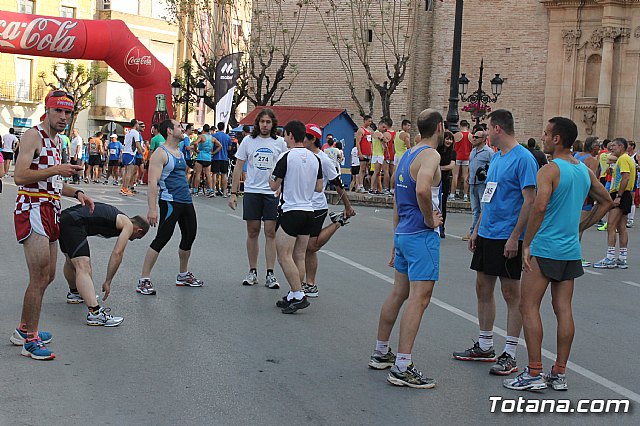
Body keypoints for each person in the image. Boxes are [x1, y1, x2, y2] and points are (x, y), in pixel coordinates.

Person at [504, 117, 612, 391]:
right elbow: (607, 201)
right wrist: (582, 226)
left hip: (545, 247)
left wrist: (526, 243)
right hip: (569, 250)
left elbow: (538, 208)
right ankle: (559, 373)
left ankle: (534, 372)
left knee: (528, 306)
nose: (542, 135)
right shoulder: (583, 171)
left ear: (557, 139)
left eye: (547, 132)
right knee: (563, 309)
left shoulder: (549, 170)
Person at [453, 109, 538, 376]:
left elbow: (530, 201)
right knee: (482, 287)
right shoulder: (497, 158)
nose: (485, 133)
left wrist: (516, 237)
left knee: (512, 294)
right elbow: (488, 198)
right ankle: (485, 345)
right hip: (488, 233)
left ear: (498, 129)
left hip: (508, 236)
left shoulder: (523, 158)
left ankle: (510, 354)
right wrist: (477, 229)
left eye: (488, 128)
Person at [10, 90, 92, 360]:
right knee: (39, 276)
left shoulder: (58, 141)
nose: (64, 117)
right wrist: (57, 169)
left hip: (51, 208)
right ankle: (30, 341)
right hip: (32, 208)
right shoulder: (33, 135)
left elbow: (54, 182)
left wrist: (77, 193)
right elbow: (20, 175)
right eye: (59, 111)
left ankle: (24, 330)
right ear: (48, 109)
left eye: (68, 112)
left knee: (50, 276)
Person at [368, 109, 443, 389]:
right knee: (419, 298)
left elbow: (399, 200)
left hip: (404, 234)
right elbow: (423, 189)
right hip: (421, 236)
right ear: (439, 127)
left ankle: (381, 351)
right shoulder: (430, 155)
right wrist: (428, 219)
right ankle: (402, 366)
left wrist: (396, 236)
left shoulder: (406, 155)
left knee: (399, 292)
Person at [137, 119, 203, 295]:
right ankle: (144, 279)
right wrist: (152, 209)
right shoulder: (160, 153)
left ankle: (183, 274)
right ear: (169, 131)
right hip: (169, 201)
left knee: (190, 236)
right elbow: (152, 183)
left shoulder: (180, 152)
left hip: (186, 201)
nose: (183, 130)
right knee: (162, 238)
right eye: (179, 127)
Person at [60, 202, 149, 325]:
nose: (132, 240)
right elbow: (118, 253)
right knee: (83, 266)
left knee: (71, 261)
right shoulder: (127, 224)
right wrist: (108, 281)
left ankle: (75, 293)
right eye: (137, 237)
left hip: (64, 219)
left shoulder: (119, 217)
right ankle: (95, 313)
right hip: (74, 223)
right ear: (139, 230)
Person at [229, 109, 287, 289]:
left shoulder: (280, 143)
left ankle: (270, 273)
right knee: (253, 231)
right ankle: (252, 270)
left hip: (271, 193)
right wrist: (233, 193)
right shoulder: (248, 141)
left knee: (271, 232)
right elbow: (238, 166)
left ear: (273, 124)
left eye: (268, 122)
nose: (265, 125)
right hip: (252, 191)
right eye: (262, 121)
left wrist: (283, 191)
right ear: (257, 123)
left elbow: (287, 168)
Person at [269, 120, 323, 313]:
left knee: (283, 255)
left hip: (291, 210)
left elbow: (273, 185)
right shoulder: (315, 158)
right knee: (299, 255)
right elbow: (319, 187)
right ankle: (294, 293)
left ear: (290, 135)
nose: (284, 139)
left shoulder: (286, 156)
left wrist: (271, 176)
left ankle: (298, 294)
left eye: (285, 135)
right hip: (309, 210)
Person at [301, 123, 356, 298]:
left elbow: (337, 183)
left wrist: (347, 206)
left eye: (305, 137)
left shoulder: (323, 159)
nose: (301, 140)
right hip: (300, 205)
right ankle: (306, 284)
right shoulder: (301, 155)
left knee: (311, 246)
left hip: (317, 206)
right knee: (303, 247)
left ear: (313, 139)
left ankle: (338, 222)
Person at [593, 138, 636, 269]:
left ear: (621, 146)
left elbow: (626, 177)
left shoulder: (623, 159)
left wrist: (618, 196)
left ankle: (610, 258)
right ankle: (622, 258)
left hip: (620, 193)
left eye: (614, 146)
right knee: (621, 227)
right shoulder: (627, 158)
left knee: (611, 225)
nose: (612, 149)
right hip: (626, 193)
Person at [464, 126, 495, 241]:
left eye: (476, 137)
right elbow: (471, 163)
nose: (474, 138)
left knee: (483, 208)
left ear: (483, 139)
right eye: (473, 136)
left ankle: (479, 232)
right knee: (475, 209)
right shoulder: (473, 151)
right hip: (473, 183)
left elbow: (494, 166)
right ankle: (473, 232)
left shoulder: (489, 152)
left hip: (482, 183)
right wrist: (468, 175)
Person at [573, 136, 600, 266]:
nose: (600, 149)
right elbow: (592, 181)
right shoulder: (592, 160)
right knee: (580, 227)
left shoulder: (577, 155)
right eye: (598, 146)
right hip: (585, 196)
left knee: (572, 225)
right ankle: (575, 256)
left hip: (572, 193)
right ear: (593, 147)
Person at [192, 124, 220, 197]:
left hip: (200, 156)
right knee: (208, 174)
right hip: (208, 157)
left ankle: (196, 190)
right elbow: (220, 146)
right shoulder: (212, 138)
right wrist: (213, 152)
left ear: (203, 130)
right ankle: (210, 190)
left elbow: (195, 143)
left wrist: (196, 150)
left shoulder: (201, 136)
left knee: (198, 174)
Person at [437, 130, 455, 237]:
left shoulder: (452, 152)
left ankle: (441, 227)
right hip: (436, 180)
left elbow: (451, 165)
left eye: (451, 139)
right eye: (447, 139)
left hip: (445, 179)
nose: (449, 141)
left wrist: (439, 168)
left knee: (443, 204)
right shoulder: (437, 150)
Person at [451, 120, 472, 202]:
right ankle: (465, 195)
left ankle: (452, 194)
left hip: (457, 156)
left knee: (455, 176)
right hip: (466, 157)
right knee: (465, 176)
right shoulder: (470, 135)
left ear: (460, 125)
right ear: (467, 126)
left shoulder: (456, 135)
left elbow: (453, 146)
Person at [121, 119, 142, 196]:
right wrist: (141, 152)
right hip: (131, 153)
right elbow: (137, 144)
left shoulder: (128, 133)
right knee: (129, 172)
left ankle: (123, 188)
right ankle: (125, 189)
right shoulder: (135, 133)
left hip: (125, 153)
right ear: (136, 124)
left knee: (126, 172)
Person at [370, 119, 390, 195]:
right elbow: (385, 140)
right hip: (377, 155)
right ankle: (372, 188)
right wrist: (385, 139)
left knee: (378, 173)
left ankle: (377, 189)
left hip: (379, 154)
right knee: (376, 172)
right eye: (383, 127)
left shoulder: (379, 133)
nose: (384, 129)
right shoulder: (377, 133)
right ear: (379, 125)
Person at [391, 119, 412, 191]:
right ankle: (400, 189)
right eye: (408, 126)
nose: (409, 128)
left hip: (396, 155)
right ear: (404, 126)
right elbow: (409, 147)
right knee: (402, 173)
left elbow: (393, 145)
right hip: (403, 155)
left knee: (394, 172)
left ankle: (392, 188)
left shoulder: (396, 134)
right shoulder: (406, 135)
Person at [212, 122, 232, 197]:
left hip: (216, 157)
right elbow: (229, 148)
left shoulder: (214, 135)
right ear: (224, 127)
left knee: (214, 174)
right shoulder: (227, 137)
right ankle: (224, 192)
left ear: (217, 127)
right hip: (224, 158)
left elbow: (212, 146)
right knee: (224, 175)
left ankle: (213, 191)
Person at [355, 115, 373, 192]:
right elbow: (357, 142)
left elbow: (370, 142)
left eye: (370, 121)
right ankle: (360, 185)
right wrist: (360, 152)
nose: (370, 123)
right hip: (363, 152)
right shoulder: (360, 130)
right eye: (369, 121)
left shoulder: (369, 131)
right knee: (362, 169)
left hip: (368, 153)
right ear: (365, 121)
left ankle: (363, 185)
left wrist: (371, 152)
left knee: (366, 170)